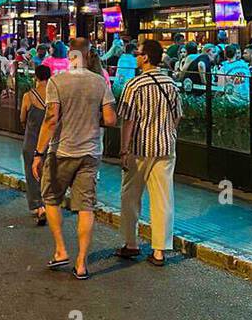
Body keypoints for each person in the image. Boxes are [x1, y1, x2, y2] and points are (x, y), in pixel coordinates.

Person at [31, 38, 117, 280]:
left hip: (62, 152)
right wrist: (91, 119)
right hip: (90, 152)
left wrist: (38, 153)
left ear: (70, 56)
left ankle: (60, 250)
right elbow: (110, 120)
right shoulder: (100, 82)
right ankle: (81, 264)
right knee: (85, 207)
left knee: (51, 198)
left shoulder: (57, 82)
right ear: (88, 56)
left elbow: (50, 119)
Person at [115, 39, 182, 266]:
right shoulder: (171, 84)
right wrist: (167, 133)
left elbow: (128, 120)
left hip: (139, 149)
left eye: (138, 53)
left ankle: (131, 244)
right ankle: (159, 251)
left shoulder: (134, 86)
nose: (136, 57)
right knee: (163, 199)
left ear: (145, 57)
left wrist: (123, 149)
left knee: (130, 196)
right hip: (165, 148)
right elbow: (177, 117)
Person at [18, 63, 51, 225]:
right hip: (50, 143)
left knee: (32, 176)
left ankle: (39, 207)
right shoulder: (55, 96)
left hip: (32, 141)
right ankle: (50, 205)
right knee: (49, 175)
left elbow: (22, 118)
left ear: (36, 77)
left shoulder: (28, 96)